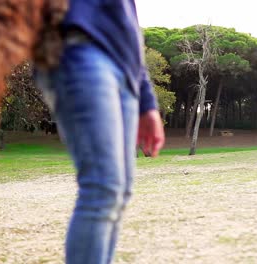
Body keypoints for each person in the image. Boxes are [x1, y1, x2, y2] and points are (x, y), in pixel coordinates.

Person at [35, 0, 165, 263]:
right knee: (102, 188)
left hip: (125, 69)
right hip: (79, 47)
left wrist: (147, 101)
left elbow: (128, 23)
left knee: (118, 192)